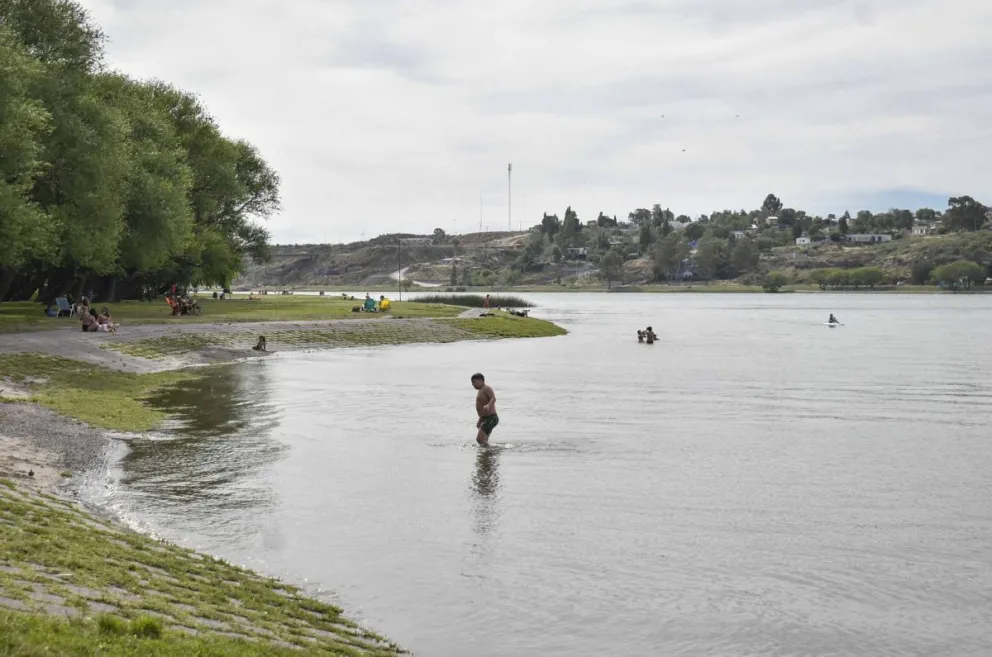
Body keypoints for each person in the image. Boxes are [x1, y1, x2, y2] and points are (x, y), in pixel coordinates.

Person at [471, 373, 498, 447]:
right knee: (484, 440)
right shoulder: (480, 391)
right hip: (485, 418)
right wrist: (480, 419)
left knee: (480, 440)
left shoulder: (486, 388)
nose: (473, 384)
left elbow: (493, 398)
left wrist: (488, 405)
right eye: (472, 383)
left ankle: (493, 451)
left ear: (481, 380)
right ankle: (487, 456)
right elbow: (481, 408)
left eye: (474, 382)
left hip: (491, 418)